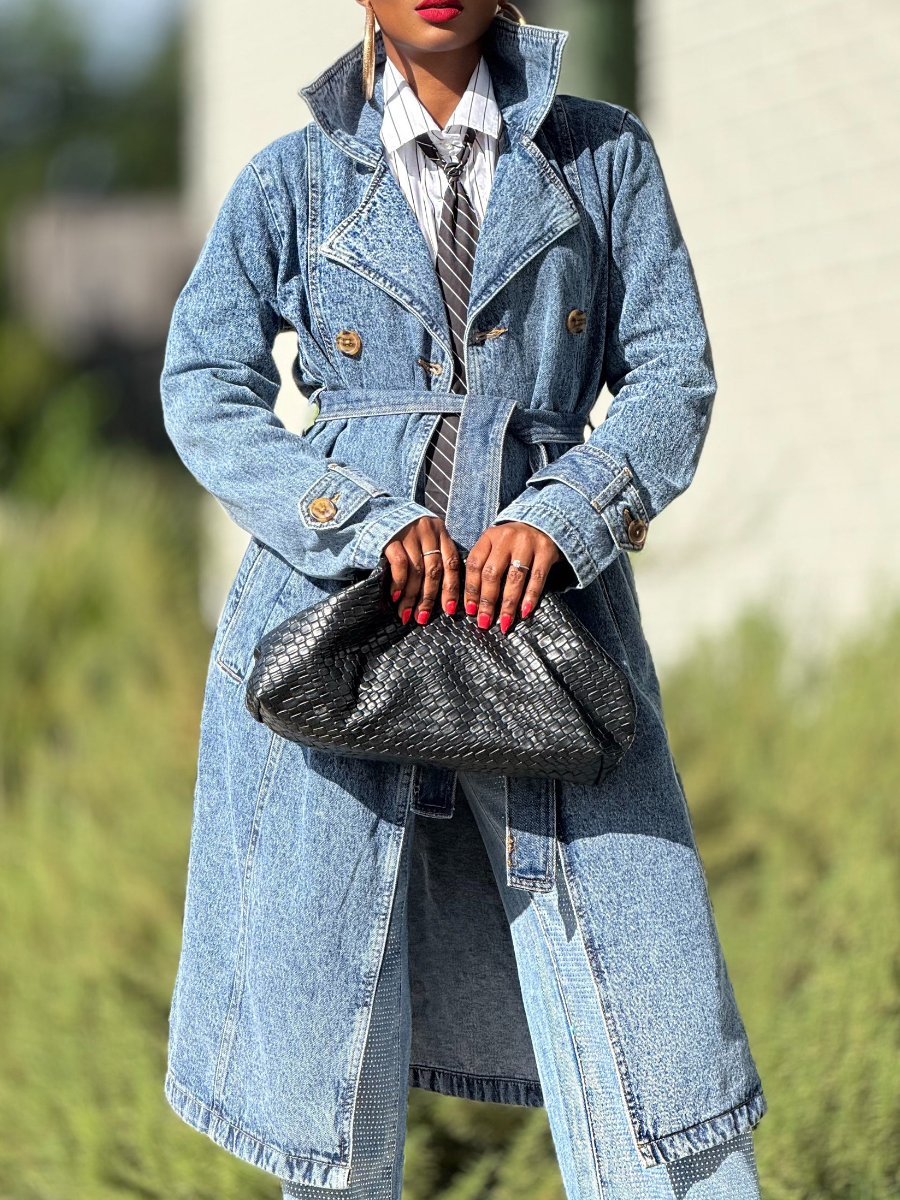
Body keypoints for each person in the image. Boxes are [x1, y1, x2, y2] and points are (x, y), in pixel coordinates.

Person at [160, 3, 767, 1198]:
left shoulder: (602, 155)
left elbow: (672, 375)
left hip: (547, 635)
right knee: (330, 1071)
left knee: (664, 1071)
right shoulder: (292, 178)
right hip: (336, 635)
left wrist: (566, 511)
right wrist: (353, 521)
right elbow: (202, 382)